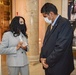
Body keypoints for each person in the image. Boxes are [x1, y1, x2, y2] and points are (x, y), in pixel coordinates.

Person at [40, 3, 74, 75]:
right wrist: (42, 57)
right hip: (49, 65)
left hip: (60, 66)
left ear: (51, 14)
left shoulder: (65, 24)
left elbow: (61, 47)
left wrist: (47, 61)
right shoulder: (50, 26)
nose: (44, 18)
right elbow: (45, 43)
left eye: (45, 16)